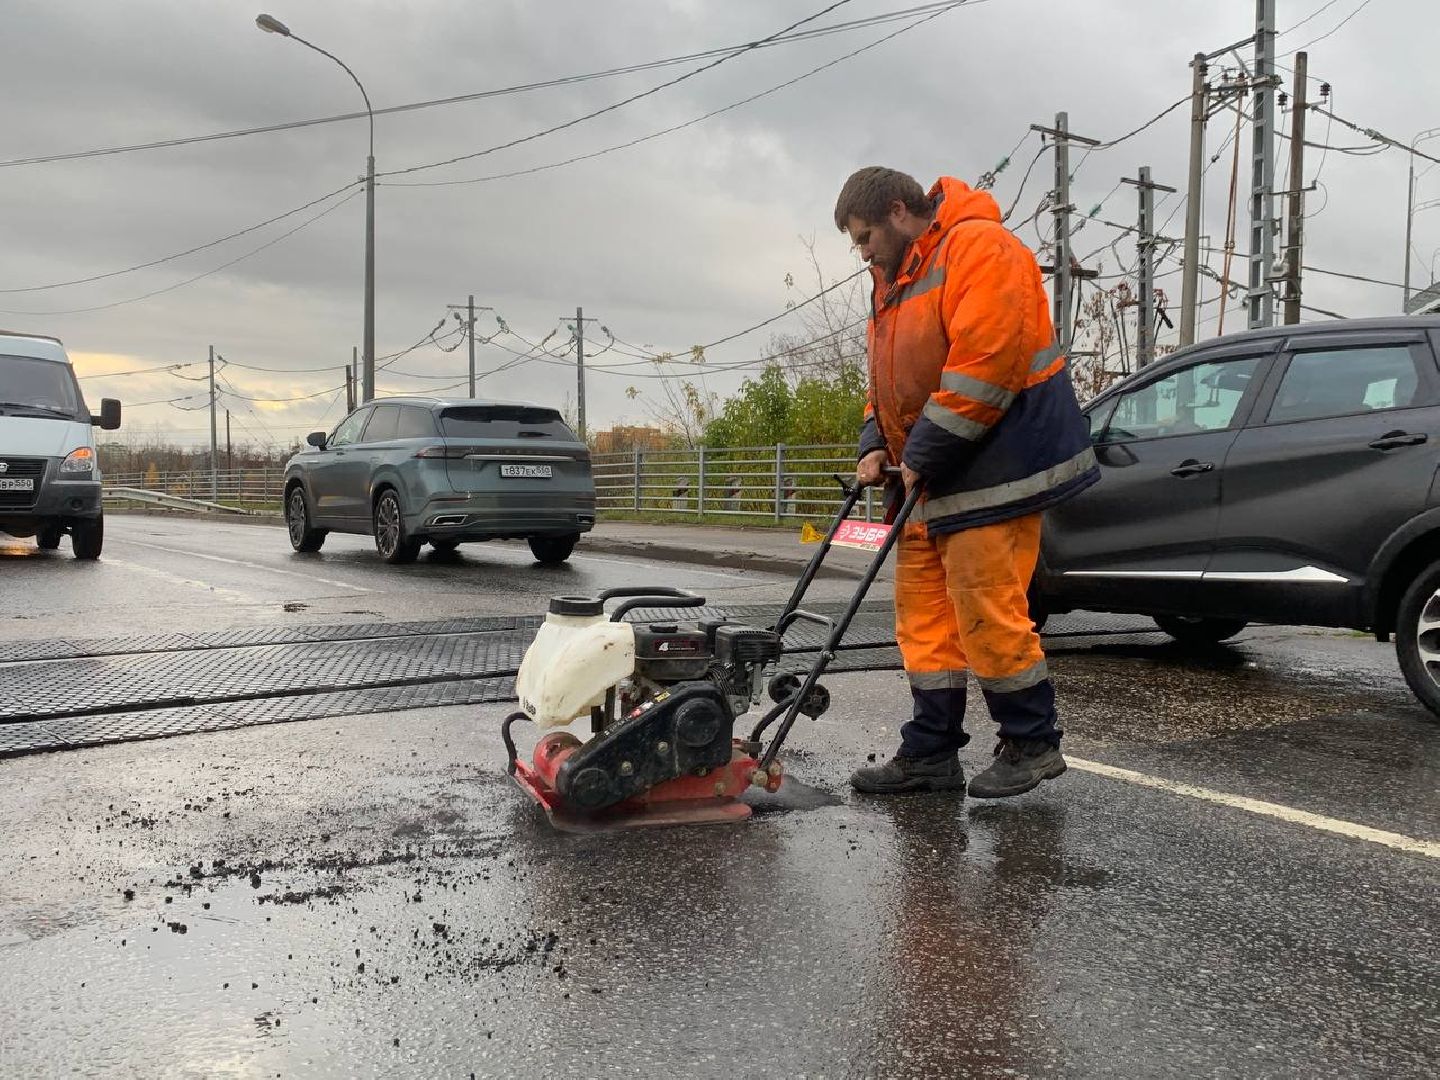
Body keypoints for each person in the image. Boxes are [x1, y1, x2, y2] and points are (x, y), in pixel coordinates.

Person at [835, 166, 1100, 799]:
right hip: (929, 478)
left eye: (866, 236)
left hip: (994, 470)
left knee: (987, 609)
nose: (863, 251)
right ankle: (930, 753)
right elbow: (891, 383)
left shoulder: (982, 249)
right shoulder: (891, 280)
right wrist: (876, 444)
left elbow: (986, 367)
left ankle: (1032, 742)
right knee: (923, 621)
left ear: (900, 211)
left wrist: (923, 449)